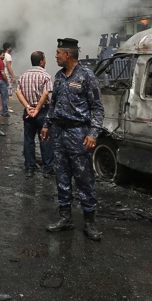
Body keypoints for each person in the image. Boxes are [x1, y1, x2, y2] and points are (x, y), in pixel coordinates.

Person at [42, 37, 105, 242]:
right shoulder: (59, 76)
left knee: (84, 179)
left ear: (68, 54)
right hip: (59, 133)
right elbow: (53, 104)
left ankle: (89, 222)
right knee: (61, 177)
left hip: (79, 134)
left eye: (58, 53)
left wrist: (93, 133)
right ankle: (65, 218)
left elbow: (97, 108)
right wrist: (46, 124)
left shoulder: (87, 76)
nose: (55, 56)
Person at [16, 50, 54, 178]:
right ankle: (48, 169)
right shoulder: (46, 76)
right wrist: (37, 109)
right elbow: (45, 93)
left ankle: (29, 168)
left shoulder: (23, 76)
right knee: (45, 138)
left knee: (28, 139)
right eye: (45, 59)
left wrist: (28, 107)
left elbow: (18, 92)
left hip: (28, 111)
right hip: (42, 110)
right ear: (41, 62)